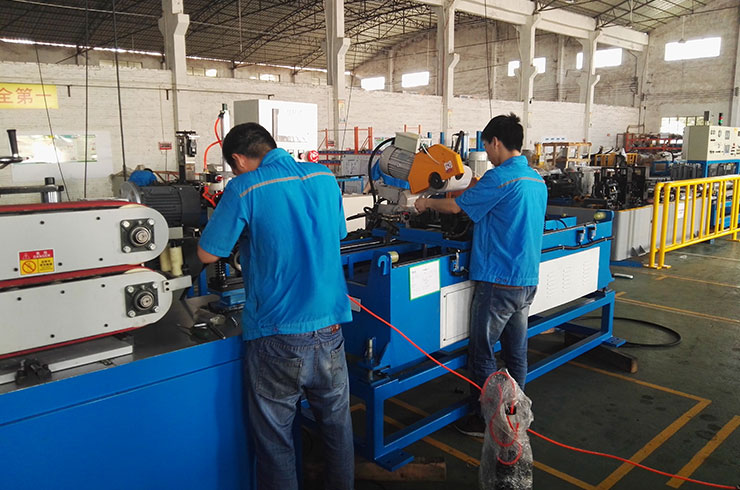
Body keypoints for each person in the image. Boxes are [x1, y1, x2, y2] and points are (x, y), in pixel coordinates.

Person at [197, 123, 354, 490]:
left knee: (275, 441)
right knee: (337, 429)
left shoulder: (244, 187)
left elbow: (207, 254)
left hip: (277, 336)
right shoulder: (324, 176)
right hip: (330, 330)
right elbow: (337, 234)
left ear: (238, 159)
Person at [414, 113, 547, 438]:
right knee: (516, 352)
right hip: (526, 278)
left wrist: (425, 203)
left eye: (486, 146)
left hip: (498, 280)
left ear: (496, 142)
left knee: (483, 353)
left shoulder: (499, 177)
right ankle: (513, 414)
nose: (487, 152)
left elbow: (456, 207)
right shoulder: (536, 179)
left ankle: (485, 420)